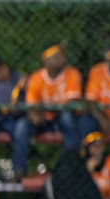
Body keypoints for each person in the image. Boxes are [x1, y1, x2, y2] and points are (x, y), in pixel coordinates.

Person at [12, 45, 88, 177]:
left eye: (62, 55)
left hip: (61, 118)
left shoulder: (72, 73)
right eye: (56, 56)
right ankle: (19, 171)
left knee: (68, 118)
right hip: (42, 119)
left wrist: (46, 108)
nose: (62, 59)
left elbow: (71, 103)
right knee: (21, 127)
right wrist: (35, 115)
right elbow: (32, 106)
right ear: (46, 61)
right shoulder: (36, 78)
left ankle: (70, 169)